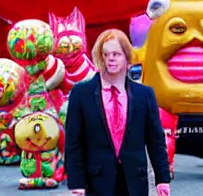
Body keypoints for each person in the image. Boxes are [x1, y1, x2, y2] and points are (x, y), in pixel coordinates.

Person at [65, 29, 170, 196]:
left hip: (135, 182)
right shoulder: (81, 94)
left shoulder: (145, 95)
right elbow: (73, 143)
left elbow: (156, 141)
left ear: (127, 57)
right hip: (97, 182)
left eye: (116, 54)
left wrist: (162, 179)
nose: (110, 58)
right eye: (105, 54)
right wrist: (76, 183)